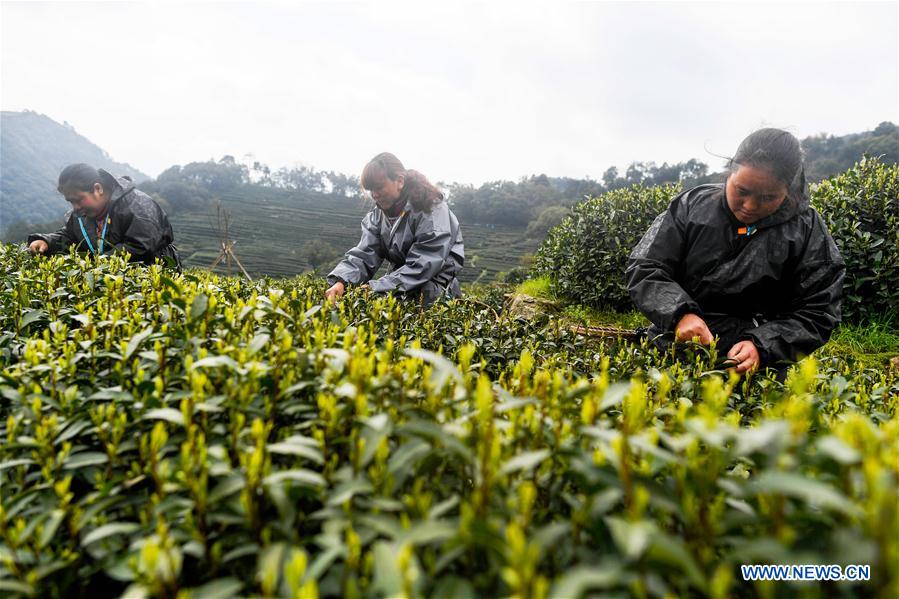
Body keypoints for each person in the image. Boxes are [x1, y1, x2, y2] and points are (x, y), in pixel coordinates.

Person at [625, 129, 845, 374]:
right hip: (674, 348)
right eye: (742, 191)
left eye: (768, 197)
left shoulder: (807, 230)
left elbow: (819, 309)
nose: (750, 206)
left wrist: (762, 345)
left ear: (789, 190)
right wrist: (679, 314)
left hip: (756, 369)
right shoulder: (692, 206)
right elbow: (646, 267)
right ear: (730, 173)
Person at [325, 152, 464, 307]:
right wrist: (342, 281)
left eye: (379, 187)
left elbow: (423, 265)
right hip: (400, 286)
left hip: (434, 291)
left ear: (399, 181)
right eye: (371, 190)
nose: (375, 195)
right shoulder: (378, 216)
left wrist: (375, 288)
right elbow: (365, 254)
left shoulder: (431, 210)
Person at [27, 163, 181, 270]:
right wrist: (46, 241)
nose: (75, 207)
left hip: (153, 277)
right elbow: (70, 235)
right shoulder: (82, 213)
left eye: (78, 199)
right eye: (71, 201)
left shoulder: (138, 206)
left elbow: (141, 246)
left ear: (97, 189)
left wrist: (96, 263)